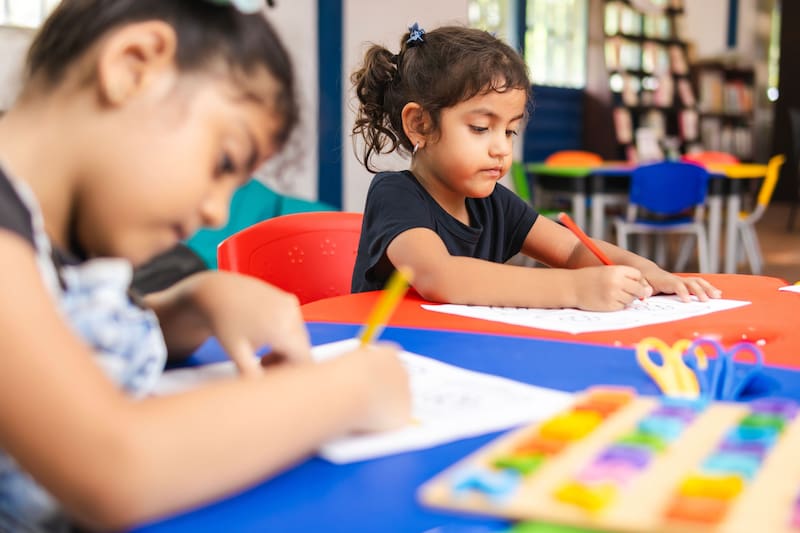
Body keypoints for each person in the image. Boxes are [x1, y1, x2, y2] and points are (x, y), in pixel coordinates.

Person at [0, 1, 410, 531]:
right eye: (223, 161)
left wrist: (188, 306)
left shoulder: (53, 236)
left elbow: (61, 342)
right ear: (132, 67)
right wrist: (350, 389)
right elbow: (111, 465)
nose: (217, 212)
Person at [350, 24, 721, 311]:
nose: (501, 148)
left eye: (509, 131)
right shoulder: (395, 194)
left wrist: (648, 271)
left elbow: (572, 251)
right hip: (393, 361)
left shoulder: (494, 203)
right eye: (480, 128)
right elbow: (440, 276)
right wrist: (576, 289)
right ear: (420, 124)